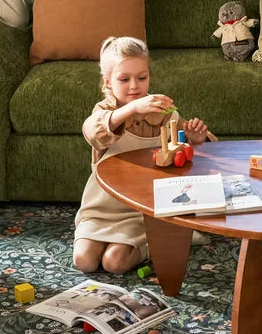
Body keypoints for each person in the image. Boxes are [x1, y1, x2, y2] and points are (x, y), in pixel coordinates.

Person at [74, 37, 212, 275]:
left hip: (141, 210)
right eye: (124, 79)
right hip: (102, 208)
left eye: (142, 77)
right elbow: (92, 131)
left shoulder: (163, 113)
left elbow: (182, 154)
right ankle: (164, 237)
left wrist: (196, 140)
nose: (134, 86)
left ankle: (161, 241)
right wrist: (132, 109)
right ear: (108, 82)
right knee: (84, 261)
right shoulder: (105, 112)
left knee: (114, 263)